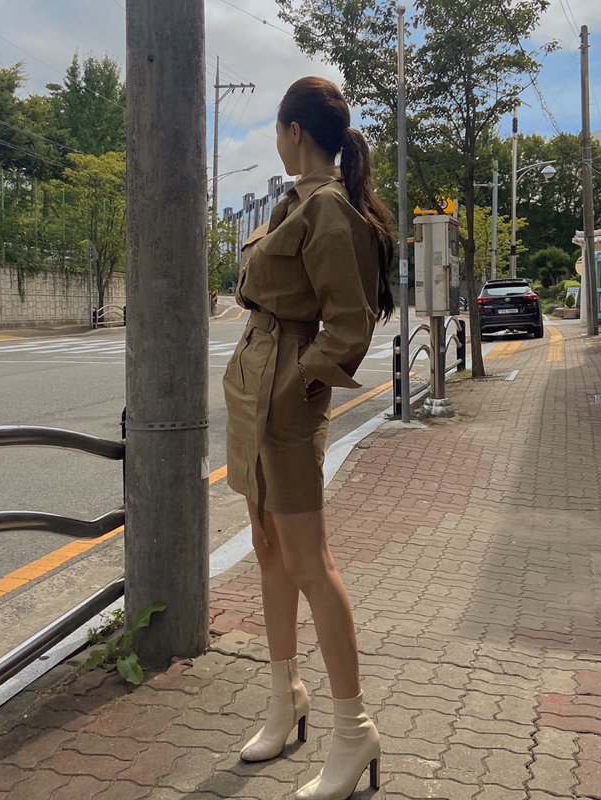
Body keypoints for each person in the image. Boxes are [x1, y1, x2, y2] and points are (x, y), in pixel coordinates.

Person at [222, 76, 394, 800]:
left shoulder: (326, 208)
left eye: (276, 129)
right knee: (267, 548)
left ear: (295, 131)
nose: (275, 140)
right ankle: (284, 696)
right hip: (254, 388)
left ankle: (353, 731)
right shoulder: (294, 201)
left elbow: (349, 321)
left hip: (285, 395)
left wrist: (301, 382)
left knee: (309, 563)